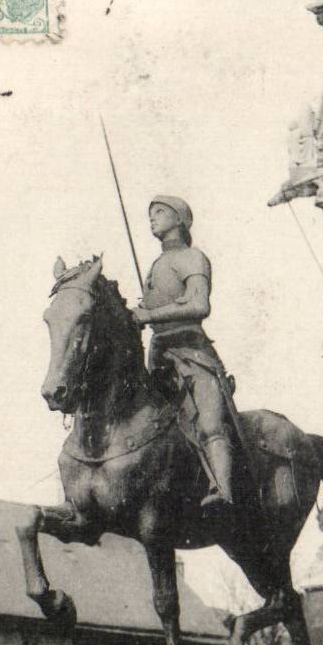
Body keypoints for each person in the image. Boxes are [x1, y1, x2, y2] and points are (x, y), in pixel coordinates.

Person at [131, 196, 236, 508]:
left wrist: (149, 315)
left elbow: (199, 305)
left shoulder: (192, 257)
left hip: (192, 353)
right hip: (159, 356)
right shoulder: (157, 264)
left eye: (160, 212)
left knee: (209, 424)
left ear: (179, 219)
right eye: (150, 213)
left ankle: (223, 490)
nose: (152, 218)